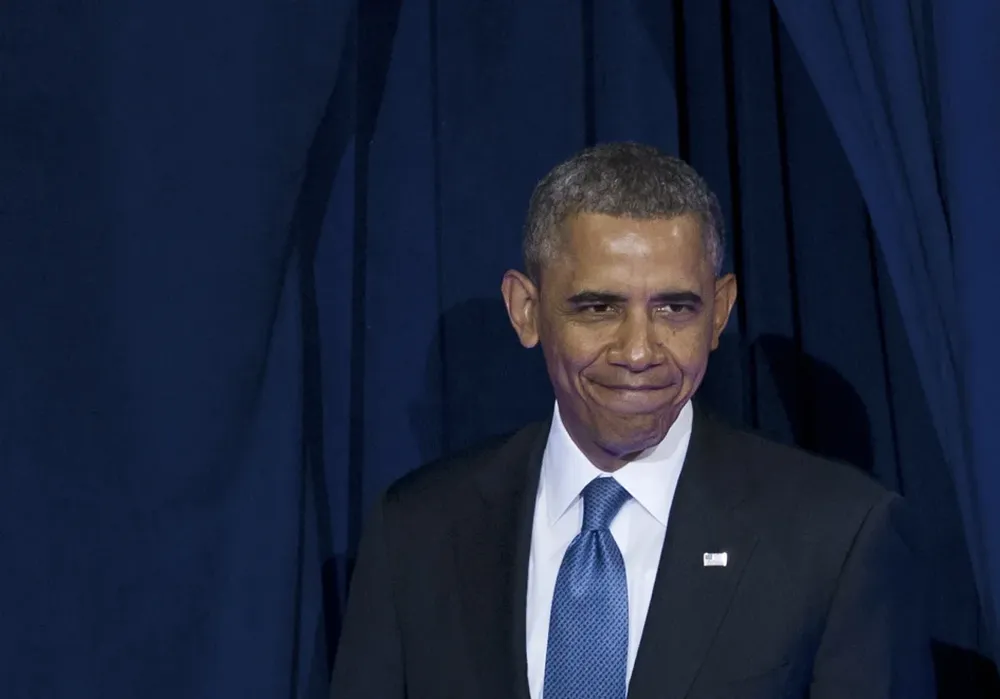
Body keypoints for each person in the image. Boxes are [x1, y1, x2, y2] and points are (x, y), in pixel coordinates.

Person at [330, 143, 935, 699]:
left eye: (674, 308)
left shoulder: (837, 538)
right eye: (599, 308)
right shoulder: (416, 533)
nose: (639, 351)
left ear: (719, 312)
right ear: (527, 310)